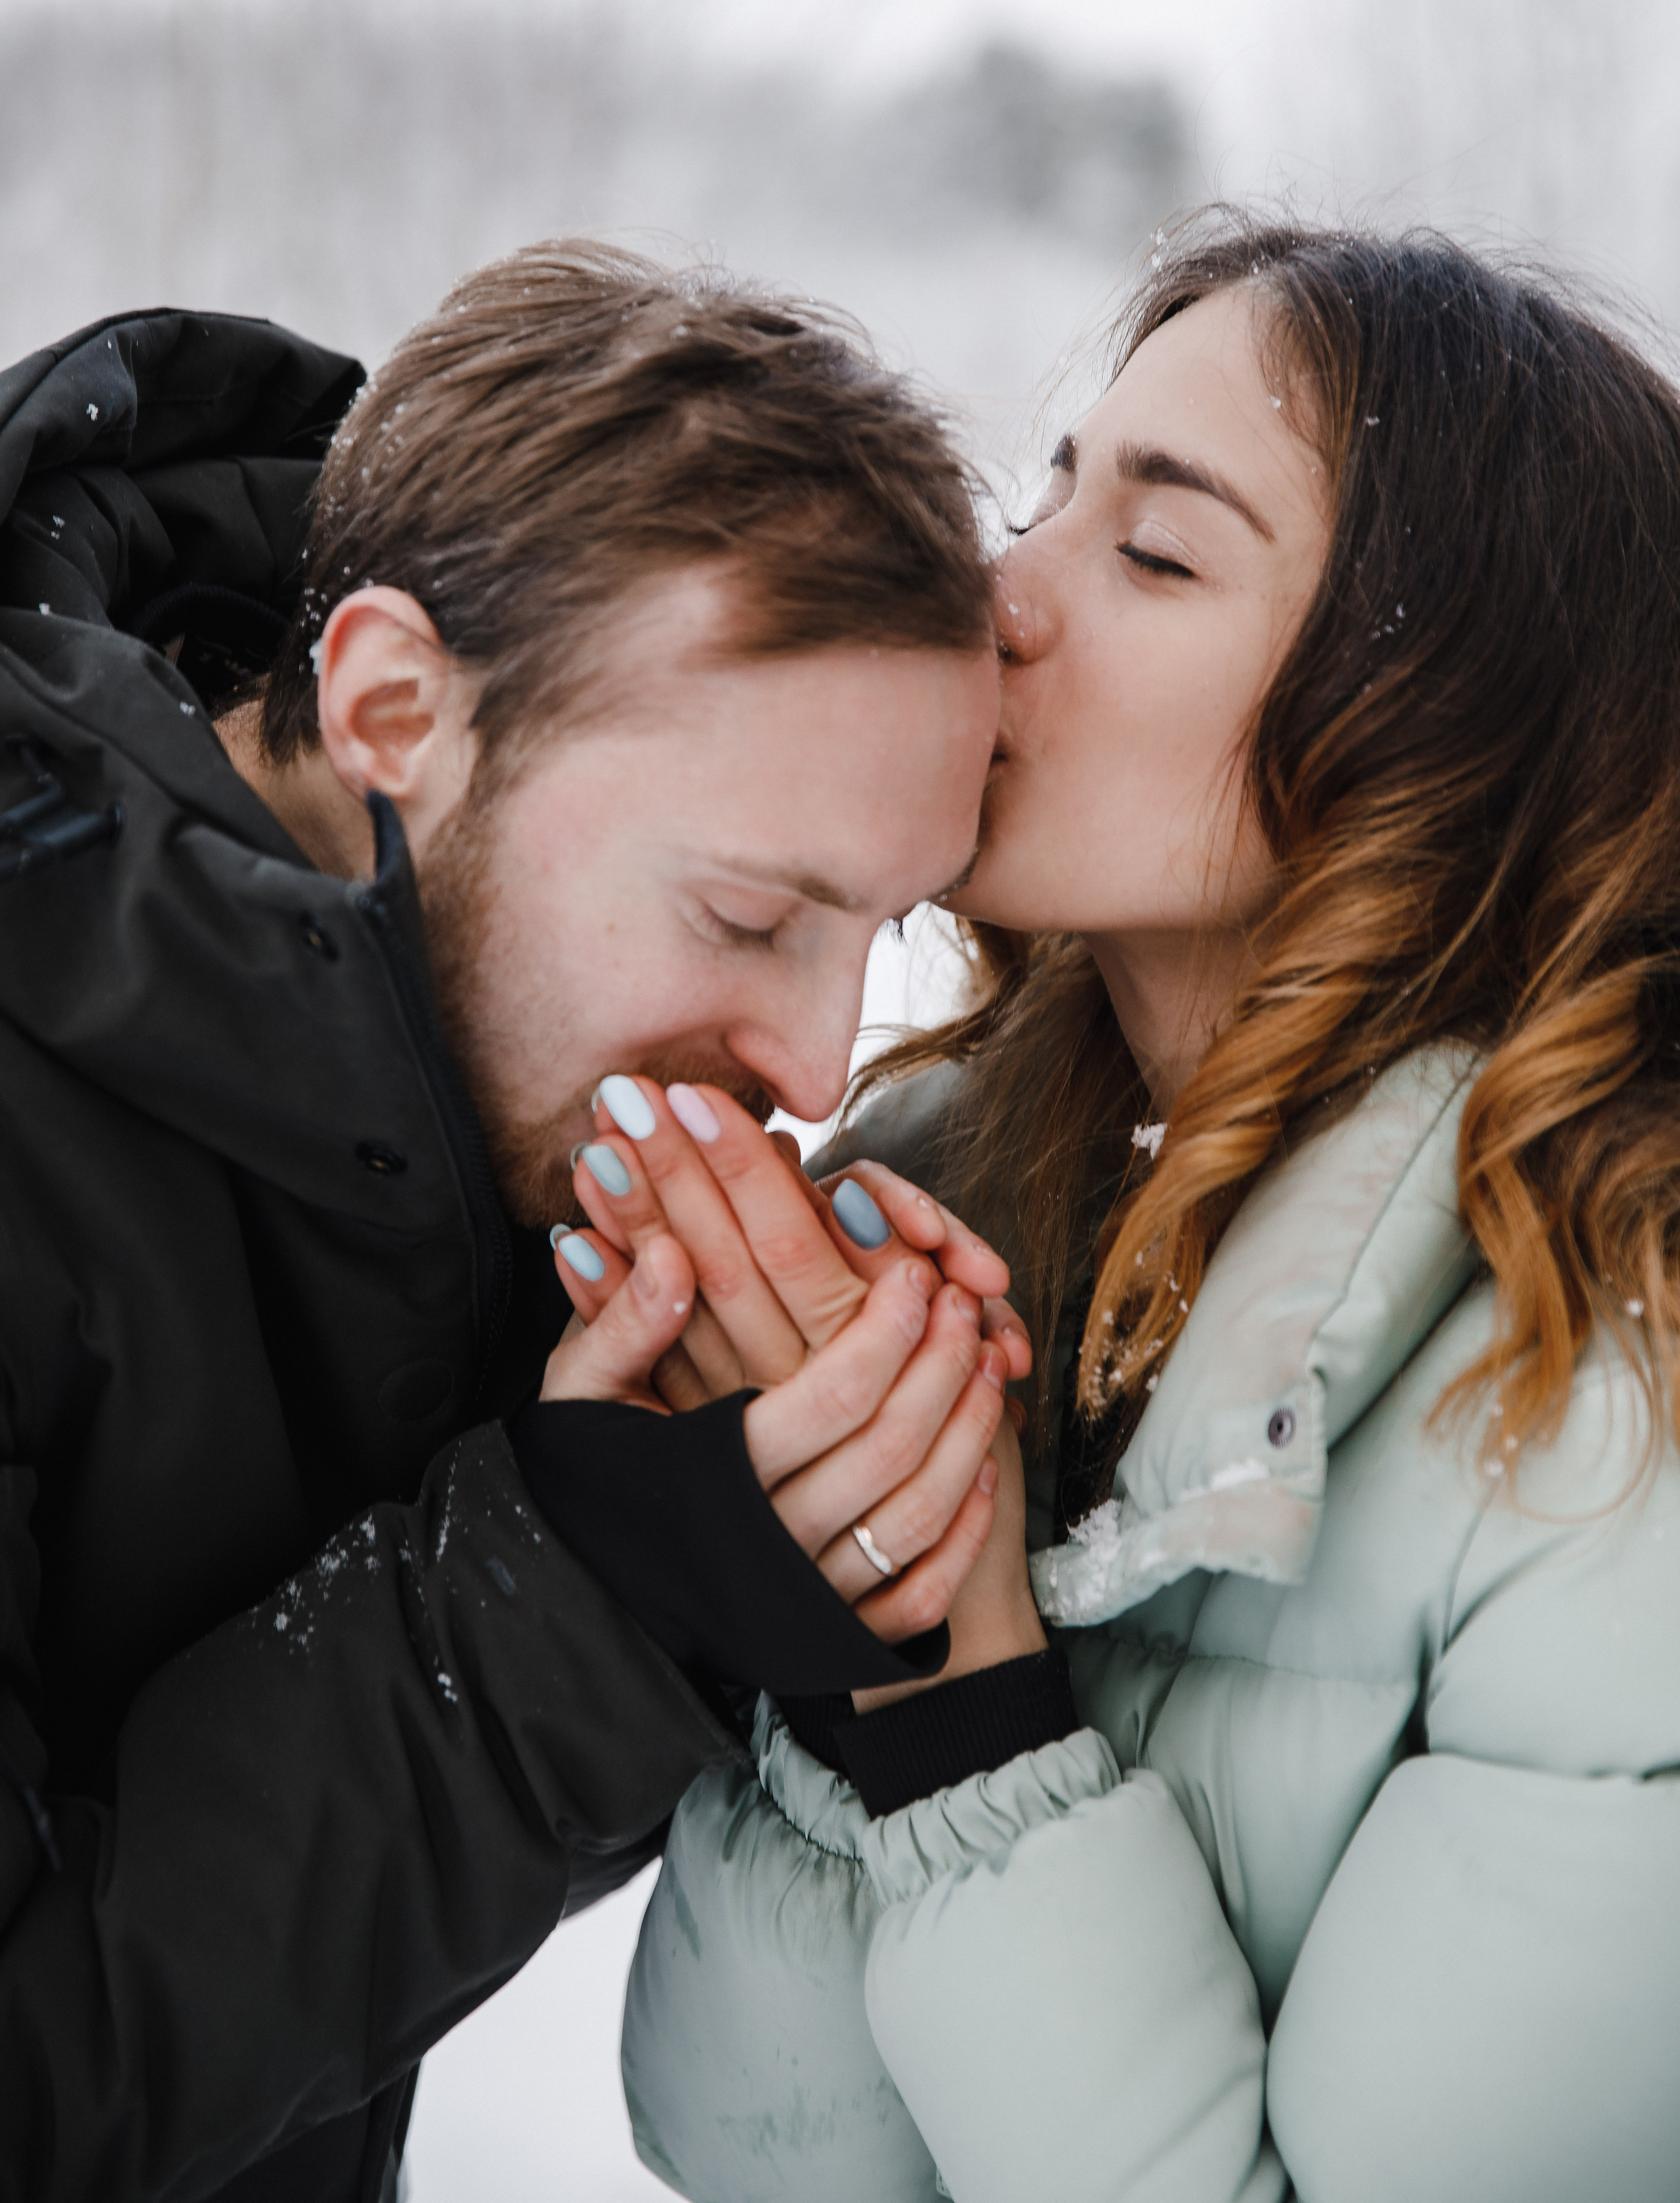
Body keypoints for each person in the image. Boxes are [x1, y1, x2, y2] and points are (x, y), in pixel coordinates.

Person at [619, 215, 1680, 2202]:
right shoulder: (919, 1237)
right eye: (1047, 494)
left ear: (1429, 743)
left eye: (1158, 551)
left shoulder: (1619, 1446)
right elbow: (747, 2139)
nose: (992, 594)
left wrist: (961, 1715)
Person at [0, 244, 1033, 2203]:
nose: (815, 1067)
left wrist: (721, 1483)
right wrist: (575, 1591)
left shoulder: (458, 1083)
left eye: (877, 934)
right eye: (747, 917)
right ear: (393, 706)